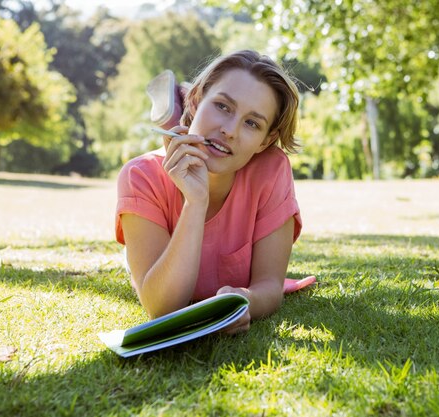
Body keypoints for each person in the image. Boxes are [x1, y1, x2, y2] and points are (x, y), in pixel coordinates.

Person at [115, 50, 303, 334]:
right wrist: (195, 202)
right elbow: (161, 307)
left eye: (252, 123)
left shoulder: (271, 170)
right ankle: (181, 114)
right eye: (223, 106)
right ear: (196, 99)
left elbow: (270, 287)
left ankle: (178, 117)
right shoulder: (140, 177)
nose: (229, 130)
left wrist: (246, 300)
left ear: (266, 141)